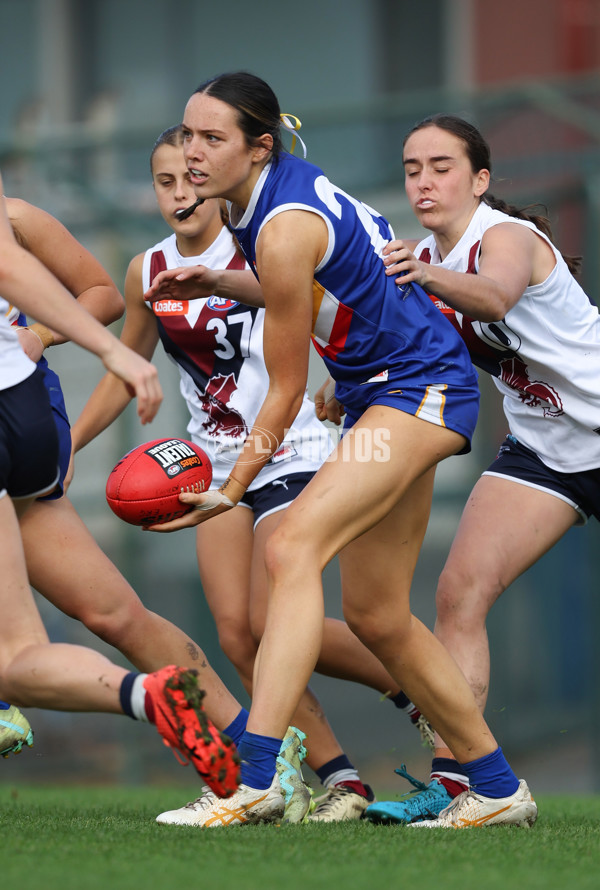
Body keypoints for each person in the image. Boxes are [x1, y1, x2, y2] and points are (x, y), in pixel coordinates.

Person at [140, 72, 537, 830]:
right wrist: (225, 279)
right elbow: (317, 289)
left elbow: (286, 390)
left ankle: (253, 778)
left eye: (211, 138)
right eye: (187, 134)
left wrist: (235, 486)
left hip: (415, 387)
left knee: (291, 545)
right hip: (395, 389)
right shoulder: (263, 203)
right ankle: (495, 785)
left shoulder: (281, 223)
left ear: (260, 147)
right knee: (378, 613)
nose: (192, 153)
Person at [70, 124, 435, 826]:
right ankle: (340, 781)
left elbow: (333, 317)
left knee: (275, 618)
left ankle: (417, 684)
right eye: (164, 180)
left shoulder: (265, 241)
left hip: (292, 444)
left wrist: (342, 384)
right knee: (237, 633)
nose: (182, 190)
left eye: (191, 175)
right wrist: (69, 444)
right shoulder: (146, 271)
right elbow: (125, 366)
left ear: (224, 170)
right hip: (211, 458)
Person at [357, 112, 600, 824]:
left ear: (480, 178)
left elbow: (492, 296)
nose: (424, 181)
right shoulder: (426, 263)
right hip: (544, 453)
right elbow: (406, 355)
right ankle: (465, 787)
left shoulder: (507, 239)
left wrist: (418, 272)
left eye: (441, 166)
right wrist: (340, 393)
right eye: (412, 168)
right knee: (459, 594)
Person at [0, 180, 239, 798]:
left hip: (22, 409)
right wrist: (114, 352)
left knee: (19, 659)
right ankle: (249, 750)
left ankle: (136, 699)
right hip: (20, 417)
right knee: (113, 613)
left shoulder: (19, 218)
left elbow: (92, 290)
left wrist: (69, 338)